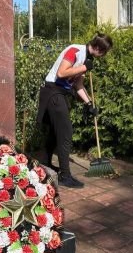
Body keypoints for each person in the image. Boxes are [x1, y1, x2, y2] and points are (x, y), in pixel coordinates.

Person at [36, 32, 113, 188]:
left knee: (55, 132)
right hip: (52, 91)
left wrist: (89, 103)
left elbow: (78, 84)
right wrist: (84, 67)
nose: (104, 56)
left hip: (60, 93)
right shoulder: (75, 50)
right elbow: (61, 73)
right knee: (66, 133)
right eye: (104, 52)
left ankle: (44, 163)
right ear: (98, 48)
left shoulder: (88, 59)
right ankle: (65, 176)